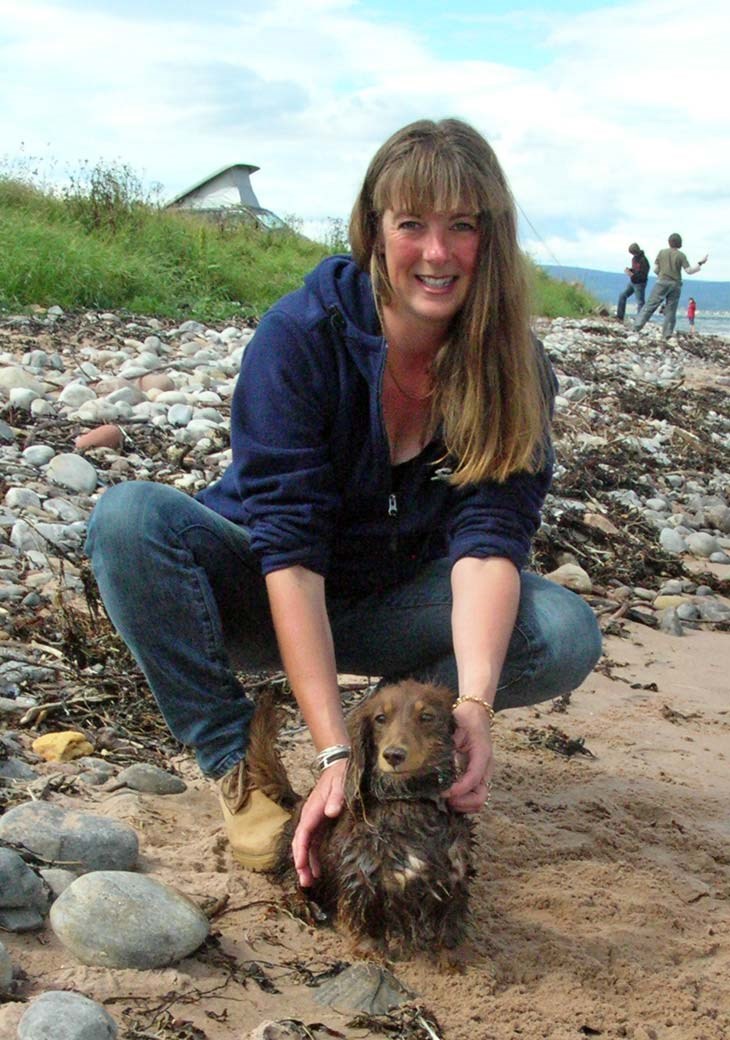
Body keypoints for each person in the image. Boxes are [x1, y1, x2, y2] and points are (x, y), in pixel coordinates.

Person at [85, 118, 602, 888]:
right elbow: (290, 554)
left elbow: (489, 544)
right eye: (412, 225)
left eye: (462, 226)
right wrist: (329, 751)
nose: (437, 252)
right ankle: (241, 764)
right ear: (373, 231)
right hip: (265, 588)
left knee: (562, 631)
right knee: (127, 519)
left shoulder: (511, 367)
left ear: (488, 239)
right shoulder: (301, 337)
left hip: (396, 605)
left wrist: (476, 709)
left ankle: (404, 742)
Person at [634, 233, 708, 339]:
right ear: (680, 243)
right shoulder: (681, 255)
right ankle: (667, 334)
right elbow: (689, 271)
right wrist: (700, 263)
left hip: (661, 282)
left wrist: (662, 274)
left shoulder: (661, 252)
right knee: (671, 310)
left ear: (669, 242)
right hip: (675, 284)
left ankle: (636, 327)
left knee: (650, 305)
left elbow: (655, 269)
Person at [616, 242, 649, 321]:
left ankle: (640, 320)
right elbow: (635, 270)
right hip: (633, 282)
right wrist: (630, 270)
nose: (632, 255)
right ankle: (619, 317)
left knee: (640, 302)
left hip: (640, 284)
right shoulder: (634, 258)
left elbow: (643, 275)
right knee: (622, 295)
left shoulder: (644, 261)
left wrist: (632, 275)